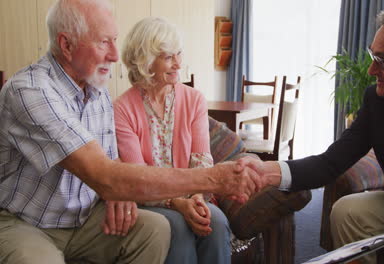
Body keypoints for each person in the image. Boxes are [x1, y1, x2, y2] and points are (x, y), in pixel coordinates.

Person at [0, 0, 261, 263]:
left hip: (85, 217)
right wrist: (214, 179)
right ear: (66, 45)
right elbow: (106, 174)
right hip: (28, 222)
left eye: (114, 40)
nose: (115, 55)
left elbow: (112, 164)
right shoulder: (30, 91)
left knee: (156, 229)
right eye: (104, 42)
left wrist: (116, 192)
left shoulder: (97, 92)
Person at [239, 3, 384, 264]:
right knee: (347, 211)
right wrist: (267, 172)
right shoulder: (378, 100)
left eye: (381, 60)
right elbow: (331, 162)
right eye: (373, 57)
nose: (371, 71)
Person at [114, 17, 231, 264]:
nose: (178, 64)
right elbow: (136, 176)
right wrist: (175, 202)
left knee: (216, 221)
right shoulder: (122, 109)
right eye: (168, 57)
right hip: (149, 202)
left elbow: (202, 160)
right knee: (177, 226)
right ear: (145, 62)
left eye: (178, 54)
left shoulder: (194, 100)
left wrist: (197, 197)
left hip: (192, 195)